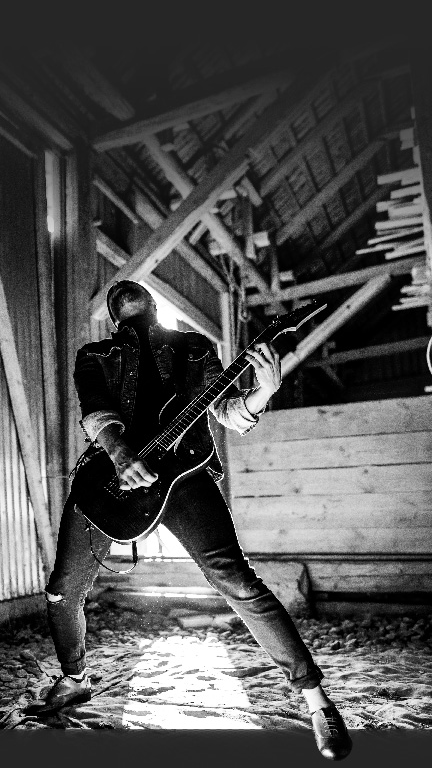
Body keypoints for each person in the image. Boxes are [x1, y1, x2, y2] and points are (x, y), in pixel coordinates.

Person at [24, 280, 351, 760]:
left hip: (186, 477)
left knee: (237, 580)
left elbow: (231, 413)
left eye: (137, 298)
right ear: (113, 318)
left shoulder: (195, 348)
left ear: (156, 306)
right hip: (109, 481)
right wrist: (120, 455)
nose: (128, 300)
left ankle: (317, 702)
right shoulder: (93, 355)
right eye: (119, 301)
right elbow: (97, 415)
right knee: (61, 589)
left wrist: (263, 391)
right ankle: (74, 679)